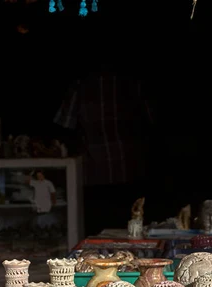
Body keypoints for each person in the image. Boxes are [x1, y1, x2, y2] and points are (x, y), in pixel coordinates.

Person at [53, 59, 154, 235]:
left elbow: (64, 127)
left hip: (94, 172)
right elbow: (150, 124)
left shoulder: (80, 87)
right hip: (130, 169)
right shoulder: (132, 85)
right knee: (133, 229)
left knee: (99, 234)